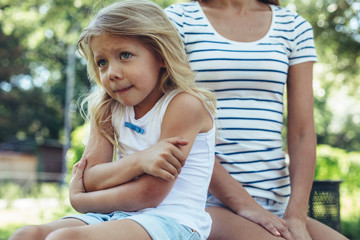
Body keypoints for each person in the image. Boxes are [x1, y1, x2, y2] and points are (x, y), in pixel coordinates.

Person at [9, 1, 217, 240]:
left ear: (161, 55)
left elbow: (150, 193)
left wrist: (81, 200)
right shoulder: (108, 107)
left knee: (64, 238)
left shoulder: (183, 105)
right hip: (117, 215)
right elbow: (90, 178)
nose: (111, 73)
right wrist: (140, 161)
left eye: (125, 55)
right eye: (102, 62)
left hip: (173, 222)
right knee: (27, 234)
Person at [165, 1, 348, 239]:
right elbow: (173, 126)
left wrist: (296, 216)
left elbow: (302, 132)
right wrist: (246, 205)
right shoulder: (178, 19)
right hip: (204, 202)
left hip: (277, 204)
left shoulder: (293, 26)